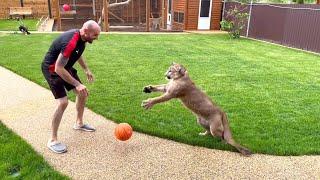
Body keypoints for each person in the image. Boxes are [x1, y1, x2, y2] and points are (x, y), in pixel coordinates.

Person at [41, 20, 101, 153]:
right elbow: (58, 68)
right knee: (63, 102)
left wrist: (86, 69)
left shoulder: (81, 39)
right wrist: (77, 84)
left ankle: (79, 123)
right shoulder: (70, 41)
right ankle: (53, 140)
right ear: (86, 31)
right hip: (53, 69)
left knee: (83, 93)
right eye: (95, 35)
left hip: (65, 67)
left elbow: (77, 53)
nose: (97, 38)